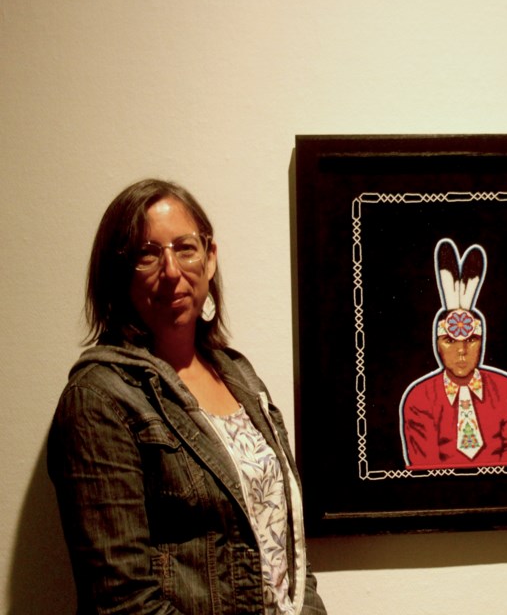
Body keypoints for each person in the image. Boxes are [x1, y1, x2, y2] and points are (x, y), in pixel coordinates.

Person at [47, 179, 327, 614]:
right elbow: (121, 602)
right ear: (117, 272)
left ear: (210, 258)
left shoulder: (240, 376)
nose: (172, 270)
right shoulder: (99, 399)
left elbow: (291, 549)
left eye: (185, 248)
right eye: (146, 254)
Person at [400, 238, 507, 469]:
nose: (461, 351)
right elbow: (425, 469)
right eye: (450, 341)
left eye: (471, 340)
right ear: (437, 344)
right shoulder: (419, 398)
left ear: (482, 342)